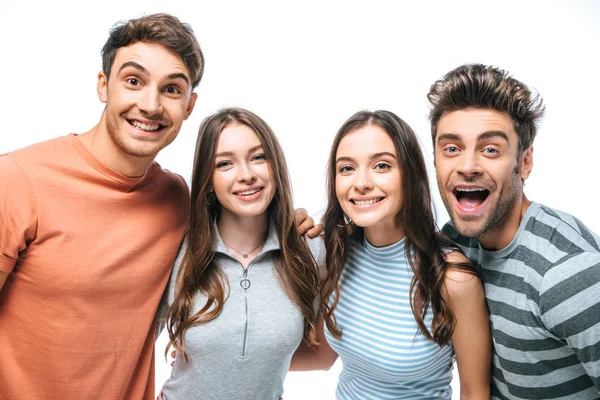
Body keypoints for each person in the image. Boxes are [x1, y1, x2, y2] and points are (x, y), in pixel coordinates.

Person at [0, 14, 318, 400]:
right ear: (103, 86)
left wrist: (291, 225)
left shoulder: (177, 200)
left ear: (189, 105)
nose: (150, 105)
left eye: (171, 89)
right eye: (133, 81)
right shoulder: (17, 179)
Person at [291, 110, 491, 399]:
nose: (361, 183)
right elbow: (322, 356)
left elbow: (475, 393)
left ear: (410, 176)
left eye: (381, 165)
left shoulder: (452, 279)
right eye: (346, 168)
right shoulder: (336, 254)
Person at [428, 63, 600, 399]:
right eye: (451, 148)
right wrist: (302, 230)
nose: (467, 166)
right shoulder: (458, 239)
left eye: (490, 149)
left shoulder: (566, 273)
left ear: (524, 163)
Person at [157, 107, 325, 400]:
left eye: (259, 157)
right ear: (207, 178)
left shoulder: (310, 250)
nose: (246, 175)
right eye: (225, 163)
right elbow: (128, 343)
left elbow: (321, 356)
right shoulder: (175, 249)